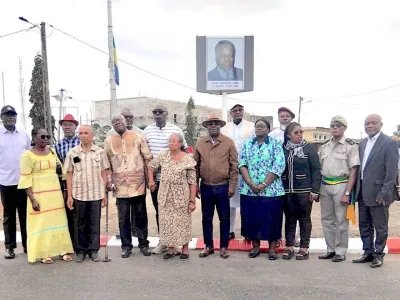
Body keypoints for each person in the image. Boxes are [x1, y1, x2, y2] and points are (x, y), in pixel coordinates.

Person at [18, 128, 74, 264]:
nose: (46, 139)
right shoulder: (27, 155)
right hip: (38, 195)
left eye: (48, 136)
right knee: (41, 224)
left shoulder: (52, 151)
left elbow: (61, 171)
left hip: (55, 193)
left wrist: (66, 191)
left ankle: (62, 251)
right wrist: (32, 200)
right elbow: (25, 179)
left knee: (58, 222)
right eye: (42, 136)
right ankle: (43, 253)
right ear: (34, 138)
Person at [353, 114, 399, 268]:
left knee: (380, 225)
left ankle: (379, 254)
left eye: (373, 123)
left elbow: (392, 171)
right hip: (362, 192)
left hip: (379, 193)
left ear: (381, 124)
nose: (370, 126)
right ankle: (368, 252)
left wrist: (385, 192)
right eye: (367, 124)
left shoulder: (389, 143)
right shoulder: (363, 143)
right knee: (364, 224)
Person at [104, 115, 153, 258]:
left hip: (138, 185)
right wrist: (109, 182)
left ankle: (144, 245)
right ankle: (126, 246)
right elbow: (106, 165)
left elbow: (148, 159)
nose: (117, 123)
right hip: (119, 187)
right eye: (114, 121)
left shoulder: (138, 137)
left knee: (141, 216)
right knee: (123, 218)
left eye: (120, 121)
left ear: (126, 122)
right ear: (112, 125)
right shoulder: (108, 141)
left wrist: (150, 180)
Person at [143, 104, 188, 255]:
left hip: (175, 180)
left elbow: (185, 152)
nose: (157, 114)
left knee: (176, 212)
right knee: (160, 212)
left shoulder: (176, 130)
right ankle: (164, 241)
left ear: (166, 114)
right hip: (156, 180)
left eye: (160, 112)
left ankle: (175, 243)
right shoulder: (147, 131)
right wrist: (150, 180)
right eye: (154, 112)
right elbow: (144, 155)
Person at [239, 118, 286, 260]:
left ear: (268, 129)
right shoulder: (248, 144)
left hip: (272, 191)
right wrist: (250, 183)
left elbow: (279, 165)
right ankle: (255, 246)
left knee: (272, 220)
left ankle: (272, 249)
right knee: (252, 219)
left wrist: (264, 184)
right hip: (249, 190)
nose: (259, 129)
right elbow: (242, 164)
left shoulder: (275, 144)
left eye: (262, 126)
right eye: (257, 126)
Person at [193, 113, 238, 259]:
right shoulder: (200, 143)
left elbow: (234, 166)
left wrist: (232, 186)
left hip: (223, 187)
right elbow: (195, 166)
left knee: (224, 218)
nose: (213, 125)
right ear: (207, 126)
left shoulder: (228, 142)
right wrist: (195, 186)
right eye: (210, 123)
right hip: (206, 187)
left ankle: (224, 247)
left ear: (220, 126)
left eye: (216, 123)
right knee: (206, 218)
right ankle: (208, 246)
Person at [148, 133, 197, 261]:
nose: (171, 143)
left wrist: (192, 201)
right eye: (169, 141)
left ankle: (185, 249)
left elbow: (192, 182)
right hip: (165, 195)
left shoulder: (187, 159)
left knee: (183, 222)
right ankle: (170, 249)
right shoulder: (163, 155)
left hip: (182, 196)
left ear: (181, 143)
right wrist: (151, 181)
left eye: (174, 141)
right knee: (167, 222)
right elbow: (151, 166)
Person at [65, 125, 110, 263]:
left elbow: (104, 172)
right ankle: (80, 251)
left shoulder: (100, 152)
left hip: (96, 194)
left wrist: (105, 194)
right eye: (81, 133)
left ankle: (93, 250)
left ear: (92, 136)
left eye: (86, 133)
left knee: (94, 223)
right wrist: (69, 196)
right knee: (79, 223)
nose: (83, 135)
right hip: (79, 193)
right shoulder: (73, 153)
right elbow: (69, 174)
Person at [318, 116, 360, 262]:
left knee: (341, 220)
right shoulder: (324, 146)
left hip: (342, 185)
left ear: (344, 128)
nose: (334, 128)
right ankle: (330, 249)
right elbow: (319, 168)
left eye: (338, 125)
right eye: (332, 125)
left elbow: (353, 171)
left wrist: (347, 193)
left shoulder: (351, 146)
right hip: (325, 186)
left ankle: (341, 251)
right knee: (326, 219)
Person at [282, 122, 321, 260]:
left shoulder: (309, 148)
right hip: (287, 190)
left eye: (301, 132)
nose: (299, 135)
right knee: (290, 218)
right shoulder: (283, 149)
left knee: (304, 219)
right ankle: (289, 246)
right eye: (296, 133)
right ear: (288, 135)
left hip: (304, 190)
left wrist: (315, 190)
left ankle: (304, 248)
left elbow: (316, 170)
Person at [0, 105, 31, 259]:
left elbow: (30, 156)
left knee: (26, 215)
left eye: (13, 115)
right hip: (5, 182)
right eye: (7, 115)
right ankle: (10, 247)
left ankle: (27, 245)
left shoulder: (24, 135)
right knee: (8, 216)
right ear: (1, 117)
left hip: (23, 182)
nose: (11, 117)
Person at [221, 104, 255, 240]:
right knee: (230, 202)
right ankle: (230, 230)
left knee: (246, 202)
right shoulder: (224, 128)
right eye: (235, 110)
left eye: (240, 110)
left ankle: (247, 231)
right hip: (230, 170)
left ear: (243, 111)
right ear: (231, 113)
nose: (238, 112)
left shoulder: (251, 126)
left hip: (247, 170)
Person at [107, 108, 142, 239]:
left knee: (138, 209)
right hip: (120, 180)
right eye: (125, 117)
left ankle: (136, 231)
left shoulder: (139, 133)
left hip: (136, 180)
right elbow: (108, 156)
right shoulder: (112, 133)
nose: (128, 119)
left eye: (130, 117)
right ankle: (124, 233)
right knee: (122, 210)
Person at [54, 114, 80, 250]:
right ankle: (70, 242)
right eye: (65, 124)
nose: (67, 127)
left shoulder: (82, 141)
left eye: (70, 124)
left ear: (76, 126)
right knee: (68, 211)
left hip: (81, 181)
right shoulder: (58, 145)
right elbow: (58, 163)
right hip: (65, 182)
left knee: (80, 212)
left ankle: (81, 242)